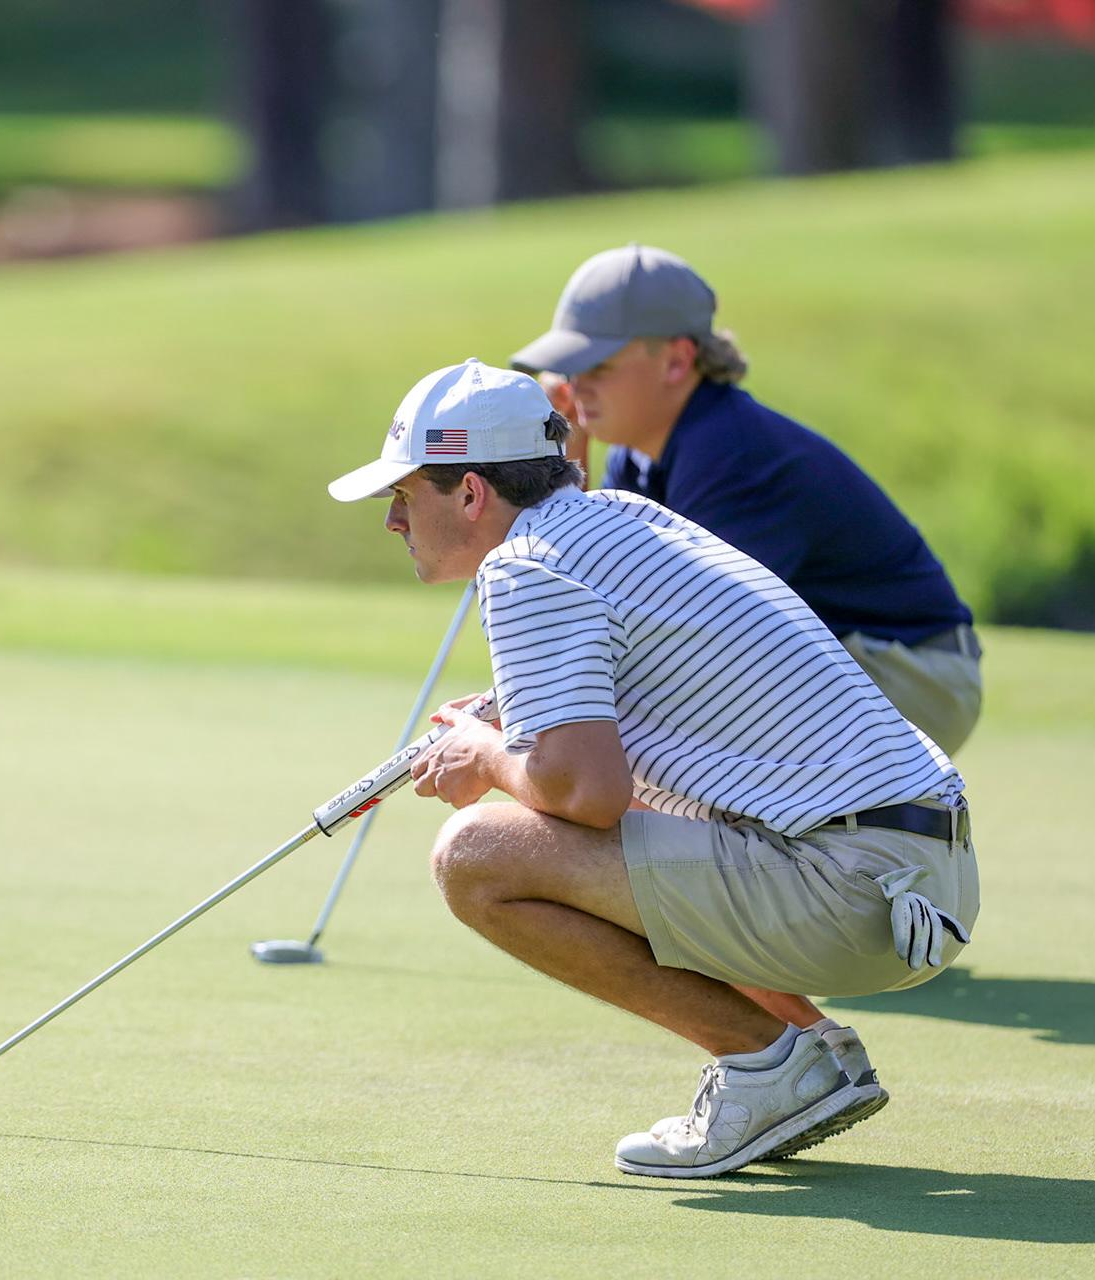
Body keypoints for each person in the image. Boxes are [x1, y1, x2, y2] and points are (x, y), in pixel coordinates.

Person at [327, 359, 979, 1177]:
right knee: (606, 821)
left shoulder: (523, 565)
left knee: (477, 856)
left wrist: (488, 757)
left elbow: (584, 794)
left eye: (405, 493)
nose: (393, 519)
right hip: (918, 875)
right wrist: (512, 726)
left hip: (850, 885)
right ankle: (812, 1053)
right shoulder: (619, 518)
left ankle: (771, 1065)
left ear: (469, 493)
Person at [509, 245, 982, 756]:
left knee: (655, 716)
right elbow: (590, 578)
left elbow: (692, 636)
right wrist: (569, 443)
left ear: (676, 361)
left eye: (596, 365)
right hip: (854, 662)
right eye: (569, 369)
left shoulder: (729, 455)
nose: (576, 386)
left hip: (912, 673)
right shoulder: (640, 453)